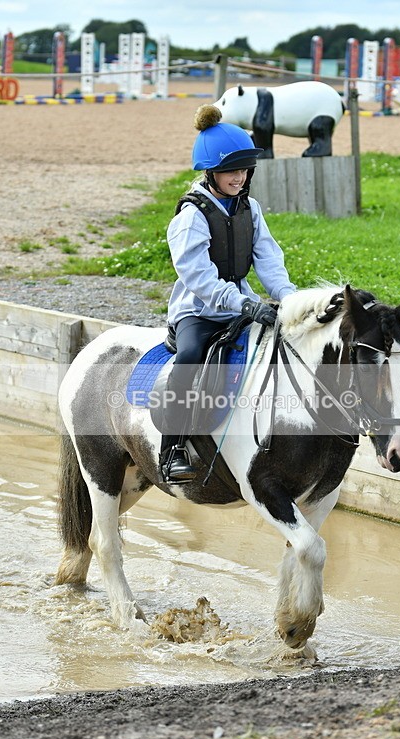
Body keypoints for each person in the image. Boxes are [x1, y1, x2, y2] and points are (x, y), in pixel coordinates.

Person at [160, 104, 296, 483]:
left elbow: (269, 258)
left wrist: (289, 298)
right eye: (231, 171)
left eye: (245, 169)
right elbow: (199, 278)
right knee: (190, 358)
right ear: (211, 172)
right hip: (198, 311)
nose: (239, 177)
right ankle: (171, 450)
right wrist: (245, 304)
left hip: (240, 306)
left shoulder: (249, 208)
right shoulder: (191, 217)